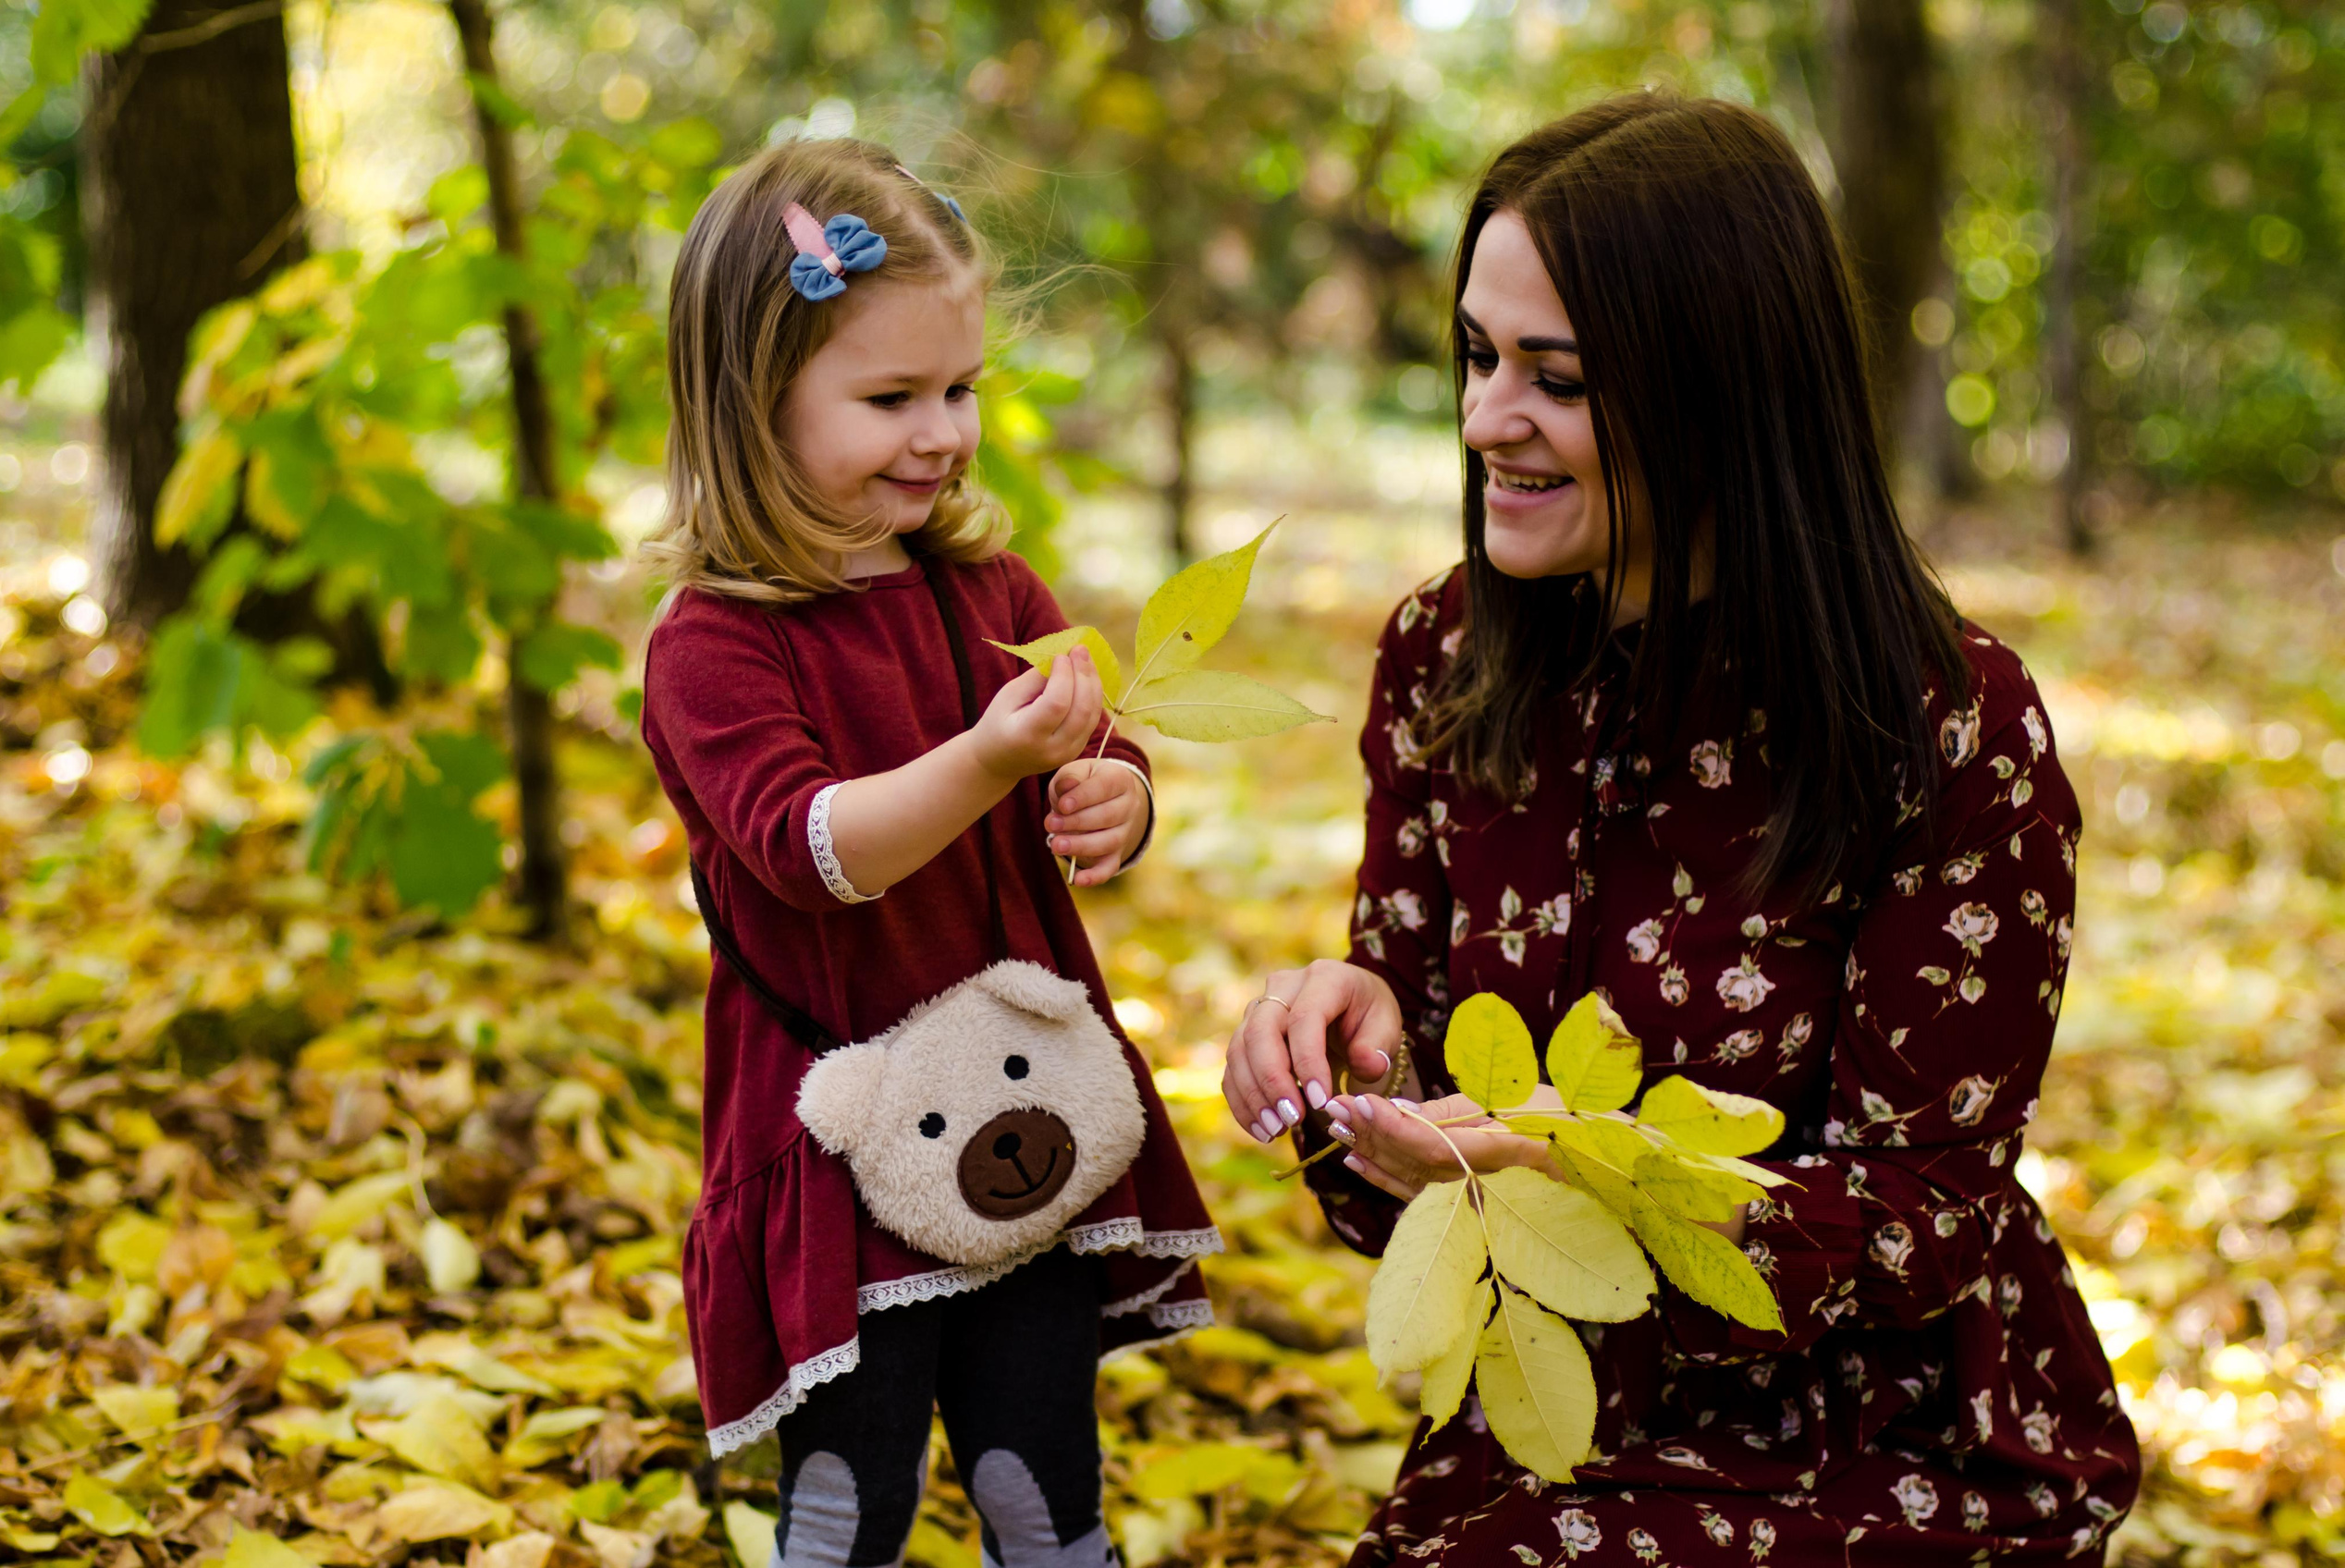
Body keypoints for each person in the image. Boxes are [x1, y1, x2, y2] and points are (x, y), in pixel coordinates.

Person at [1225, 96, 2139, 1565]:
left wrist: (1590, 1194)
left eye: (1557, 379)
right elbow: (1420, 1123)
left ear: (1725, 388)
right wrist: (1352, 1046)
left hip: (1879, 1437)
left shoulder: (1945, 725)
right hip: (1554, 1404)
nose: (1482, 420)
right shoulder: (1446, 663)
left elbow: (1924, 1214)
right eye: (1475, 355)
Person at [643, 139, 1219, 1568]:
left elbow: (1092, 738)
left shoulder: (989, 588)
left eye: (958, 390)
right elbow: (812, 849)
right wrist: (986, 760)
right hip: (840, 1130)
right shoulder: (715, 644)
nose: (940, 433)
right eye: (889, 398)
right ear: (752, 401)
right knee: (855, 1486)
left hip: (1023, 1111)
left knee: (1041, 1464)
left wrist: (1114, 796)